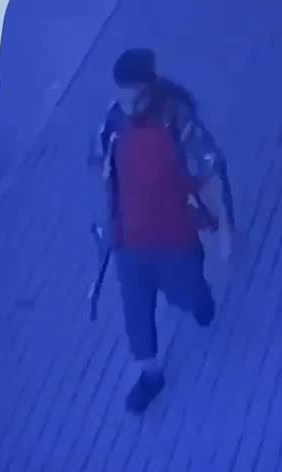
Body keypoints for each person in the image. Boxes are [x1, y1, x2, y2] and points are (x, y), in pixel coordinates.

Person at [90, 48, 235, 414]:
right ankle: (150, 374)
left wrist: (222, 228)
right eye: (120, 93)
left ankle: (199, 299)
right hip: (129, 238)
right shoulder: (113, 118)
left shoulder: (177, 117)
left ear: (149, 87)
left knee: (185, 296)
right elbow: (100, 163)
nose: (125, 103)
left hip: (175, 234)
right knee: (136, 310)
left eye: (132, 94)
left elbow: (209, 167)